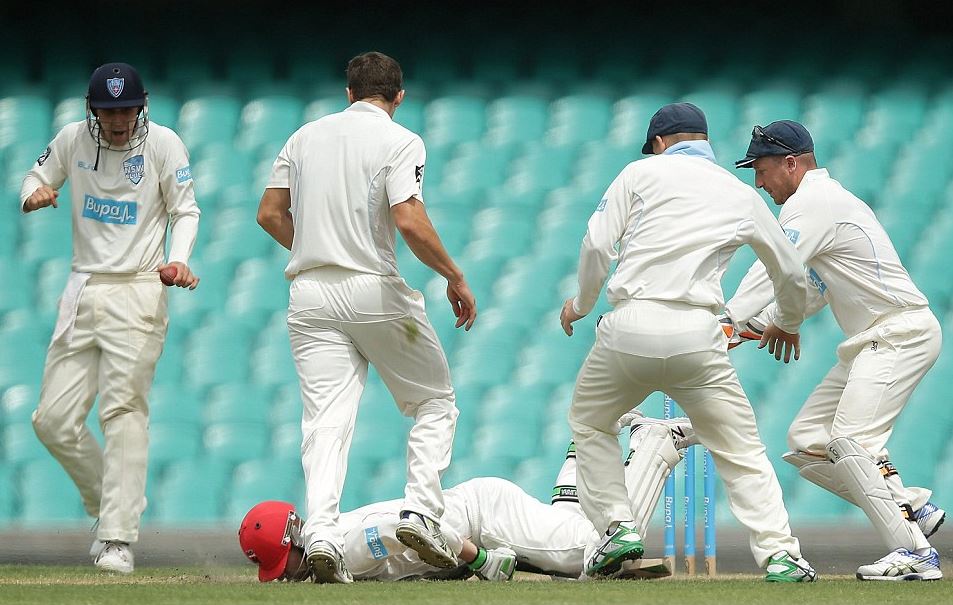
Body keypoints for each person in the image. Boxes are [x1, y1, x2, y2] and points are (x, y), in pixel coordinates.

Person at [559, 102, 818, 582]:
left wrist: (580, 304)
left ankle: (617, 526)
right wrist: (788, 320)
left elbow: (597, 244)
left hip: (629, 327)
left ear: (660, 143)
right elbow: (790, 270)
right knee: (740, 449)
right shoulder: (738, 194)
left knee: (590, 422)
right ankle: (781, 555)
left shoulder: (639, 173)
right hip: (699, 334)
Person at [256, 51, 477, 584]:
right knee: (435, 401)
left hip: (309, 295)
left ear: (348, 93)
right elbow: (408, 218)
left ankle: (324, 538)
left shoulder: (304, 136)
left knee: (326, 423)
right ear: (398, 97)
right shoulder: (401, 141)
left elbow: (268, 213)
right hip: (375, 294)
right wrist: (454, 275)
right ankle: (422, 512)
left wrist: (312, 246)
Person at [724, 120, 944, 581]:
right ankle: (908, 506)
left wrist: (727, 318)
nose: (758, 183)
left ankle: (914, 554)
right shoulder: (821, 205)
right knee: (807, 442)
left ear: (791, 163)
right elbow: (814, 288)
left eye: (762, 170)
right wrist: (771, 322)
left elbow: (776, 268)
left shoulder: (812, 204)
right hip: (874, 339)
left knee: (851, 442)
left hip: (899, 333)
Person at [20, 62, 201, 574]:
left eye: (127, 109)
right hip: (83, 288)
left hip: (140, 287)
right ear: (93, 109)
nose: (118, 120)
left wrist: (180, 257)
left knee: (122, 411)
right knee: (52, 420)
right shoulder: (73, 139)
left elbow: (186, 209)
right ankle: (109, 508)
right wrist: (32, 194)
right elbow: (36, 174)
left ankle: (118, 537)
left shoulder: (164, 144)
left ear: (140, 107)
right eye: (108, 110)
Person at [238, 413, 697, 582]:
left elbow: (411, 528)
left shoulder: (345, 549)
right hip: (477, 507)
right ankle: (585, 445)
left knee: (583, 552)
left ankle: (656, 444)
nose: (282, 579)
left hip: (479, 517)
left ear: (294, 545)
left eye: (280, 567)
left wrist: (477, 560)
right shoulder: (331, 542)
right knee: (573, 527)